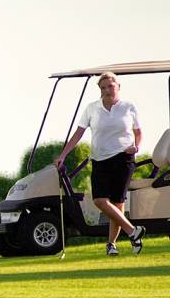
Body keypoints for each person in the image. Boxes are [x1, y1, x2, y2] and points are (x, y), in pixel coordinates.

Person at [55, 70, 145, 256]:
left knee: (117, 204)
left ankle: (112, 245)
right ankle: (133, 231)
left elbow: (138, 132)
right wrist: (63, 154)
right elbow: (78, 134)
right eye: (103, 87)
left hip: (123, 158)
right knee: (100, 200)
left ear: (118, 86)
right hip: (100, 160)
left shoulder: (129, 106)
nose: (107, 90)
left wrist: (136, 147)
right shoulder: (92, 108)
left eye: (110, 86)